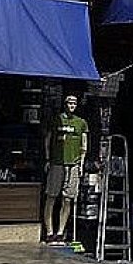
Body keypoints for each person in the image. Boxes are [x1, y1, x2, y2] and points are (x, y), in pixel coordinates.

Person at [42, 94, 88, 244]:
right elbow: (48, 140)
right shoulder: (56, 119)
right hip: (57, 162)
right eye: (69, 102)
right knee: (51, 196)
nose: (72, 105)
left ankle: (61, 232)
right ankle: (50, 232)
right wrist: (48, 158)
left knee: (67, 198)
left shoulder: (81, 123)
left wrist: (81, 163)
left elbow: (84, 145)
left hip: (73, 164)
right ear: (65, 104)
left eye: (74, 103)